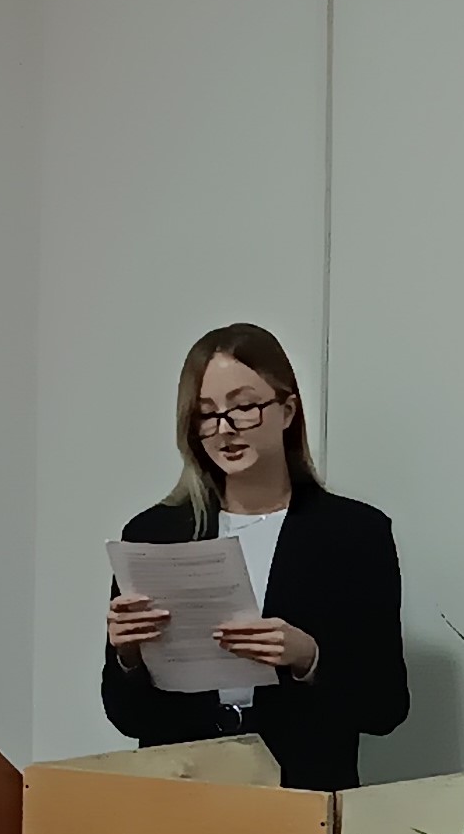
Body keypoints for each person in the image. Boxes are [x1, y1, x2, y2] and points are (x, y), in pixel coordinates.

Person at [102, 323, 408, 790]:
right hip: (182, 788)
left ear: (287, 411)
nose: (225, 429)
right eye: (206, 414)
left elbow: (386, 708)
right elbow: (126, 716)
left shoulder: (355, 534)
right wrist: (128, 657)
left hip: (302, 789)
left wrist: (308, 658)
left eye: (244, 407)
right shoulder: (155, 534)